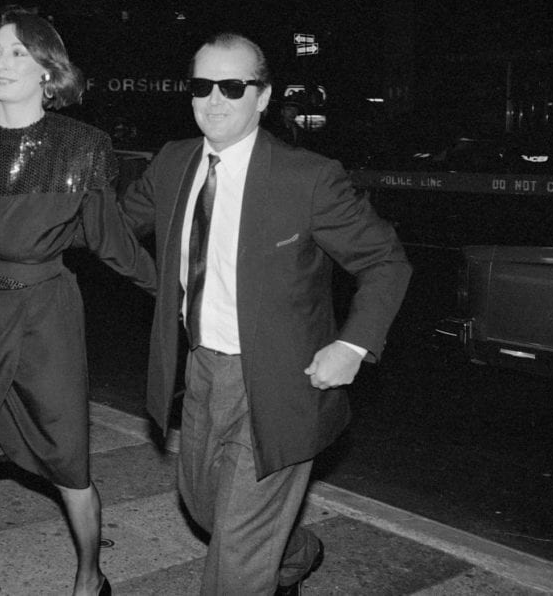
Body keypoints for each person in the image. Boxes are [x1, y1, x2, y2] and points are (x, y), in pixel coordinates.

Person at [119, 32, 412, 595]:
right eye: (202, 86)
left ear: (263, 96)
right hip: (201, 371)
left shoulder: (307, 177)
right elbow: (112, 230)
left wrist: (352, 345)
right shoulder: (174, 162)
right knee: (205, 509)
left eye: (232, 86)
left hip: (280, 382)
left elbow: (386, 261)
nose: (214, 99)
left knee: (235, 557)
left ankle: (261, 558)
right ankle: (294, 553)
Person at [0, 7, 155, 596]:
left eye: (18, 51)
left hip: (49, 317)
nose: (2, 62)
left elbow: (113, 243)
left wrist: (175, 294)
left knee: (70, 470)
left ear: (48, 69)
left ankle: (89, 575)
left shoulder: (83, 146)